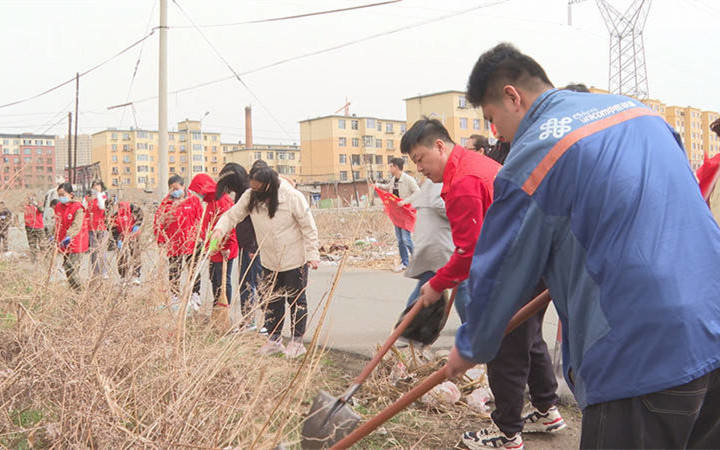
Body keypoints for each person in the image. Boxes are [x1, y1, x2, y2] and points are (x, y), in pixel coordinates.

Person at [437, 42, 720, 449]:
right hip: (712, 325)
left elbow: (501, 269)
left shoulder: (536, 153)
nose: (497, 132)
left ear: (512, 96)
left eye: (492, 118)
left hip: (639, 355)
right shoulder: (640, 113)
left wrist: (471, 344)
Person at [212, 164, 320, 358]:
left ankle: (296, 342)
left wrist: (312, 255)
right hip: (269, 259)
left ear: (269, 186)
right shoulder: (250, 196)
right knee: (273, 301)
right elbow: (232, 215)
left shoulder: (292, 197)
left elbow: (308, 227)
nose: (254, 191)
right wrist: (220, 229)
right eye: (252, 187)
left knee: (296, 300)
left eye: (258, 188)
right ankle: (274, 339)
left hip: (294, 258)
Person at [399, 179, 470, 323]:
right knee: (461, 282)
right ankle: (470, 327)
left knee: (428, 285)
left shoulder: (433, 181)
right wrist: (463, 210)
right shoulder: (438, 181)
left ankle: (405, 324)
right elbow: (439, 204)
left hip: (432, 242)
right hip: (437, 244)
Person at [216, 162, 262, 331]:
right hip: (246, 246)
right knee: (247, 283)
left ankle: (254, 321)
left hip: (251, 248)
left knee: (251, 283)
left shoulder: (248, 194)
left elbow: (253, 224)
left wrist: (252, 247)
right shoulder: (242, 193)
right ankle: (249, 319)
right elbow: (232, 219)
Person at [153, 175, 203, 312]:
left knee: (193, 270)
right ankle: (174, 295)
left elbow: (201, 219)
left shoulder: (193, 200)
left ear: (183, 186)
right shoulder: (166, 203)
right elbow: (158, 222)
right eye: (172, 189)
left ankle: (195, 294)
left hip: (192, 242)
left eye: (177, 188)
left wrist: (200, 236)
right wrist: (161, 241)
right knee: (174, 271)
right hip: (174, 243)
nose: (175, 191)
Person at [188, 173, 238, 307]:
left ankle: (223, 308)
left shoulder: (222, 200)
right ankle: (216, 306)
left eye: (198, 191)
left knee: (222, 280)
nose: (198, 194)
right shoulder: (210, 201)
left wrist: (225, 246)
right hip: (213, 248)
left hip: (223, 248)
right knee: (214, 279)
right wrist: (206, 245)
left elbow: (229, 226)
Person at [374, 157, 419, 272]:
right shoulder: (394, 179)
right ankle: (405, 263)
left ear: (396, 167)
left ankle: (418, 261)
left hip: (406, 213)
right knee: (400, 240)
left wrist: (404, 202)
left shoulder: (408, 179)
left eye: (391, 166)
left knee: (406, 239)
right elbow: (388, 187)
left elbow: (418, 192)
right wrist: (378, 186)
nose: (389, 168)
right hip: (397, 214)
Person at [54, 183, 89, 292]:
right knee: (68, 268)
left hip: (76, 242)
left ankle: (80, 292)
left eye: (63, 195)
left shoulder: (78, 208)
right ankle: (75, 292)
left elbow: (77, 225)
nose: (61, 197)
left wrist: (69, 236)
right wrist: (54, 236)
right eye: (59, 195)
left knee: (71, 267)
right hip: (64, 243)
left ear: (71, 194)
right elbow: (57, 223)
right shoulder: (58, 207)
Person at [111, 200, 143, 284]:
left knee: (135, 254)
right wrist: (117, 241)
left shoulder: (132, 208)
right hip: (121, 235)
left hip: (133, 234)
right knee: (121, 256)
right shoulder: (115, 216)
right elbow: (113, 229)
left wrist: (137, 226)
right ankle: (123, 276)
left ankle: (136, 275)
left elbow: (140, 215)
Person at [86, 180, 109, 282]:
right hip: (91, 228)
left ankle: (103, 272)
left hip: (101, 228)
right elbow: (84, 209)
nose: (95, 188)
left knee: (101, 251)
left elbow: (102, 206)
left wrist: (98, 195)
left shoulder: (103, 197)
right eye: (94, 186)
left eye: (97, 186)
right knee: (93, 252)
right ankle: (95, 272)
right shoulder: (89, 199)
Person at [24, 195, 45, 261]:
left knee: (42, 245)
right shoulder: (26, 207)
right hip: (29, 228)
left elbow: (42, 210)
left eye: (32, 198)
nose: (30, 199)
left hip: (39, 228)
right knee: (32, 245)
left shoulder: (38, 206)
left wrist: (36, 205)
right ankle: (34, 261)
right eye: (29, 198)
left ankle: (45, 259)